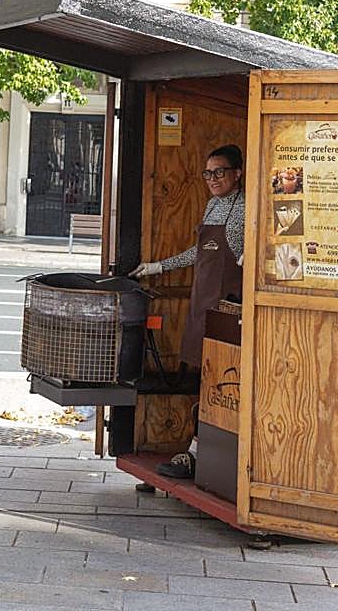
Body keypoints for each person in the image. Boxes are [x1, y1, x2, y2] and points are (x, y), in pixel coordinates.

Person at [130, 143, 245, 480]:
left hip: (229, 308)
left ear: (237, 173)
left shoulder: (247, 208)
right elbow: (199, 253)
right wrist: (157, 267)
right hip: (202, 305)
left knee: (222, 383)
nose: (213, 178)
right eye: (208, 173)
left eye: (219, 172)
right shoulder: (212, 206)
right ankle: (199, 452)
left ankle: (200, 453)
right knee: (204, 378)